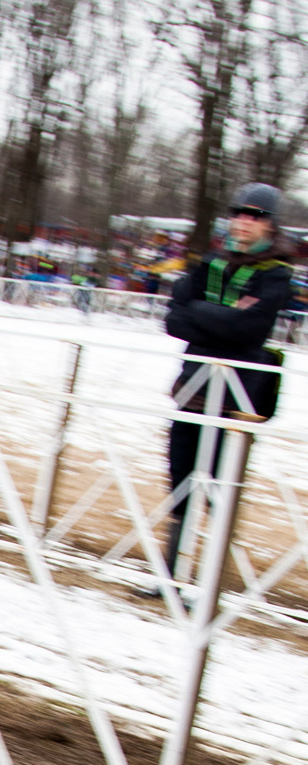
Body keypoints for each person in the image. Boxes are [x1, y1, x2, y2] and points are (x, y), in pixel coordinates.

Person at [160, 181, 294, 577]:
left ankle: (212, 581)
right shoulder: (210, 262)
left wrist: (199, 314)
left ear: (269, 225)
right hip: (194, 388)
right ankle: (172, 577)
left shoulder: (276, 272)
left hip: (238, 396)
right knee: (181, 479)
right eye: (239, 213)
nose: (244, 222)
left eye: (255, 216)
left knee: (221, 488)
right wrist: (220, 316)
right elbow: (172, 318)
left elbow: (250, 329)